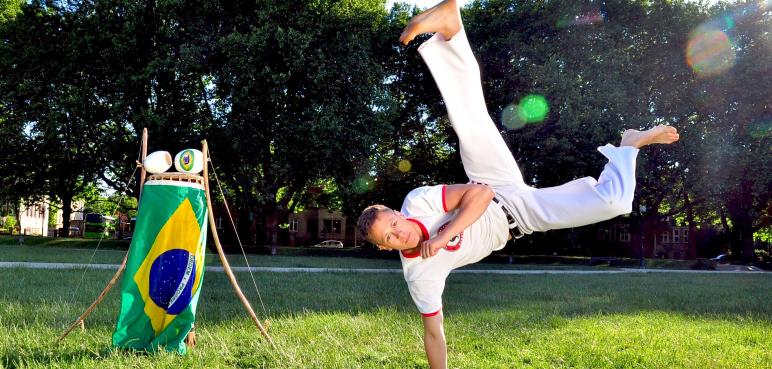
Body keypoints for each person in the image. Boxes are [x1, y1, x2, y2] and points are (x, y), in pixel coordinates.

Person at [357, 1, 680, 367]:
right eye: (390, 238)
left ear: (397, 213)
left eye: (393, 223)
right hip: (522, 215)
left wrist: (443, 236)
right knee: (614, 203)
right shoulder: (419, 275)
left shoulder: (417, 202)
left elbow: (481, 192)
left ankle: (451, 26)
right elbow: (434, 333)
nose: (398, 233)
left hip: (490, 182)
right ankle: (629, 144)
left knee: (469, 120)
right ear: (386, 249)